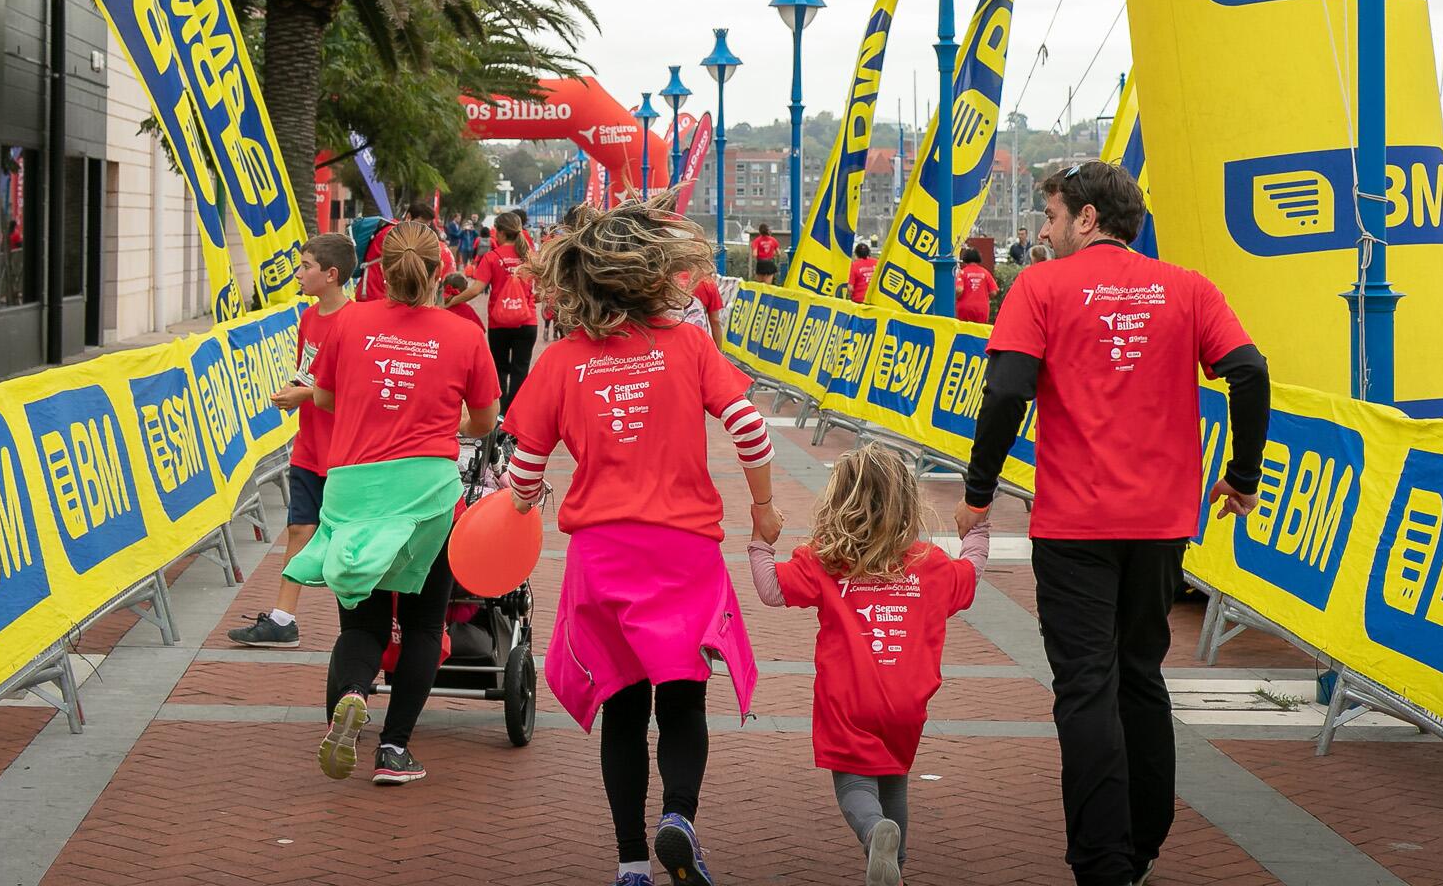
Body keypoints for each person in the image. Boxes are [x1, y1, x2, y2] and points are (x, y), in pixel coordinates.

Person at [956, 162, 1270, 886]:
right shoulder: (1189, 288)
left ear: (1088, 218)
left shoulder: (1037, 287)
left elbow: (1005, 392)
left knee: (1086, 685)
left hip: (1074, 523)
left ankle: (1102, 860)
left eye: (1053, 216)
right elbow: (1250, 373)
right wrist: (1242, 476)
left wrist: (979, 489)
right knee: (1139, 674)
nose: (1043, 232)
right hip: (1161, 523)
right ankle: (1143, 841)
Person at [502, 198, 778, 886]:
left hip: (602, 557)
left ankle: (630, 864)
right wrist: (765, 508)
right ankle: (678, 819)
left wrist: (521, 506)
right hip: (684, 551)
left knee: (622, 708)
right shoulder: (689, 346)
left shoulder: (561, 360)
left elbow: (522, 474)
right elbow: (751, 430)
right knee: (683, 698)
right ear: (653, 275)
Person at [285, 223, 502, 787]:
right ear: (437, 272)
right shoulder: (462, 335)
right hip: (426, 496)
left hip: (354, 487)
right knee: (426, 622)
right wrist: (438, 423)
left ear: (378, 272)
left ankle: (355, 693)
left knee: (362, 620)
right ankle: (395, 749)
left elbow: (326, 396)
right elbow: (485, 421)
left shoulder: (350, 320)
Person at [749, 445, 988, 886]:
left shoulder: (825, 560)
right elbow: (971, 571)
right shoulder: (929, 564)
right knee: (894, 777)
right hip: (908, 701)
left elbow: (770, 589)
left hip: (849, 698)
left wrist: (760, 541)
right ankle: (894, 868)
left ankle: (874, 831)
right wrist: (978, 529)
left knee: (855, 785)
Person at [228, 233, 358, 649]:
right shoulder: (309, 318)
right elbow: (307, 373)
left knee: (351, 541)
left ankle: (365, 627)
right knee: (299, 528)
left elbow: (354, 397)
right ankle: (283, 619)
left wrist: (303, 394)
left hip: (345, 453)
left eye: (306, 266)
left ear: (331, 274)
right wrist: (293, 390)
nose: (298, 274)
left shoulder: (356, 324)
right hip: (309, 446)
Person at [449, 214, 540, 407]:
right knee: (520, 369)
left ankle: (499, 416)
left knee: (499, 369)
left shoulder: (492, 258)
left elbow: (475, 290)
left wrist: (449, 303)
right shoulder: (530, 257)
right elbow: (543, 289)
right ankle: (513, 415)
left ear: (500, 232)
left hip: (500, 323)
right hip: (527, 321)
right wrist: (528, 299)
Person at [358, 202, 455, 301]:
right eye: (421, 223)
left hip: (381, 290)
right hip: (374, 290)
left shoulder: (398, 230)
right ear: (409, 217)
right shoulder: (395, 233)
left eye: (427, 225)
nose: (423, 229)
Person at [954, 245, 997, 325]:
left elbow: (959, 289)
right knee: (979, 333)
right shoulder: (985, 273)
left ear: (965, 258)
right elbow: (993, 292)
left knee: (965, 332)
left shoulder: (963, 273)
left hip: (964, 308)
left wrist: (954, 299)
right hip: (982, 308)